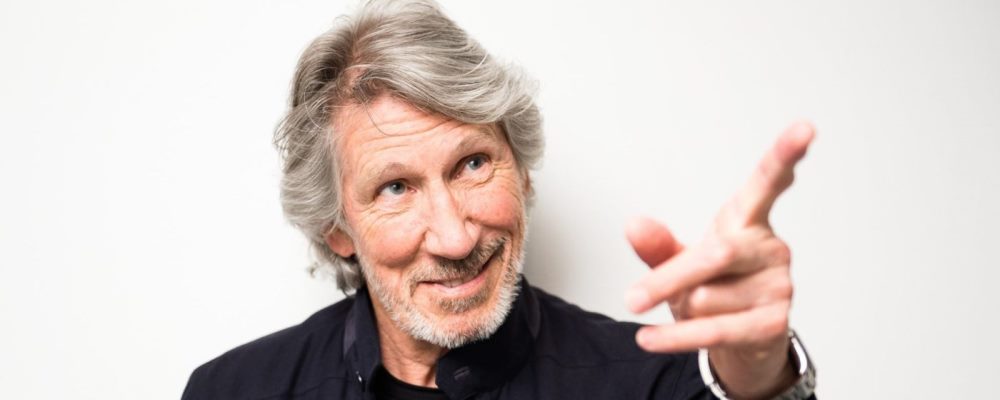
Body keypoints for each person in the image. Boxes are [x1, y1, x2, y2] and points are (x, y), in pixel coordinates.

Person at [182, 1, 817, 399]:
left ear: (523, 171)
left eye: (473, 164)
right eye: (396, 187)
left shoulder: (650, 381)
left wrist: (760, 375)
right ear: (337, 228)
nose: (456, 238)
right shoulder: (232, 392)